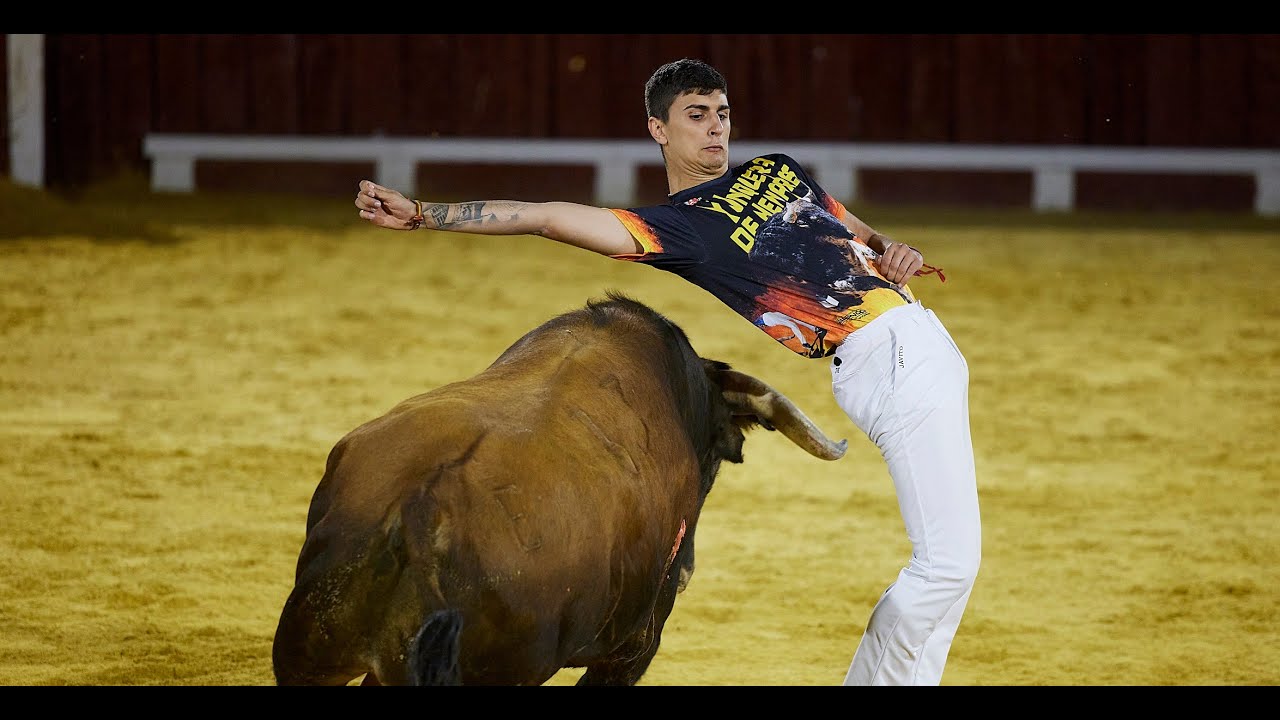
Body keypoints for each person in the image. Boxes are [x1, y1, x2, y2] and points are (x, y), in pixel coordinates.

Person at [354, 57, 980, 686]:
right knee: (947, 566)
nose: (716, 129)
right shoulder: (676, 227)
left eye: (723, 114)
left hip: (918, 337)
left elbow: (852, 232)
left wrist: (894, 251)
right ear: (658, 128)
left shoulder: (778, 171)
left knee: (951, 565)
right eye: (697, 116)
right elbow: (546, 215)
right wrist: (425, 215)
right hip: (887, 359)